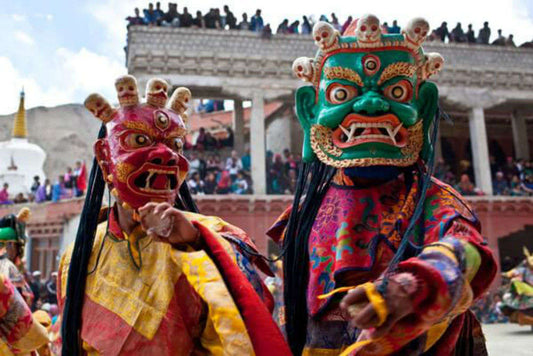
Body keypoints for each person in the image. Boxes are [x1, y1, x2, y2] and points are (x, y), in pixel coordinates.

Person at [271, 15, 497, 355]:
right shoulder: (304, 214)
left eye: (396, 91)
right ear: (309, 111)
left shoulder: (433, 201)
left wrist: (411, 287)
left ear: (423, 106)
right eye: (342, 92)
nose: (371, 105)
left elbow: (468, 253)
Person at [59, 75, 290, 355]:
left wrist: (195, 243)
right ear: (106, 158)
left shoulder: (209, 236)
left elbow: (248, 328)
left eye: (175, 145)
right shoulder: (80, 254)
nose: (166, 155)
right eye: (138, 140)